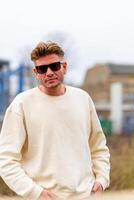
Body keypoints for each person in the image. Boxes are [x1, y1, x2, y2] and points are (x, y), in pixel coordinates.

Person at [0, 41, 110, 200]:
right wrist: (35, 192)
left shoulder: (83, 99)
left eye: (54, 66)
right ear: (36, 72)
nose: (49, 72)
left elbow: (98, 147)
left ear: (64, 67)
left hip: (86, 195)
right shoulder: (21, 104)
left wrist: (101, 180)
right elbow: (5, 159)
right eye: (42, 69)